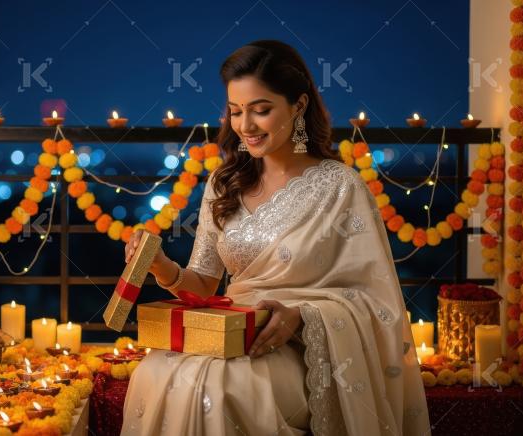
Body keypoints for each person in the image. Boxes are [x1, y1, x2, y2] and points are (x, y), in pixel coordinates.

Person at [120, 40, 430, 435]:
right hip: (232, 332)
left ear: (298, 106)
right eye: (235, 111)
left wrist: (303, 316)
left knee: (225, 388)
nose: (245, 126)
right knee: (156, 371)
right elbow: (203, 283)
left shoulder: (339, 186)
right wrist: (162, 268)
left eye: (261, 110)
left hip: (303, 348)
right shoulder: (225, 182)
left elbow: (375, 302)